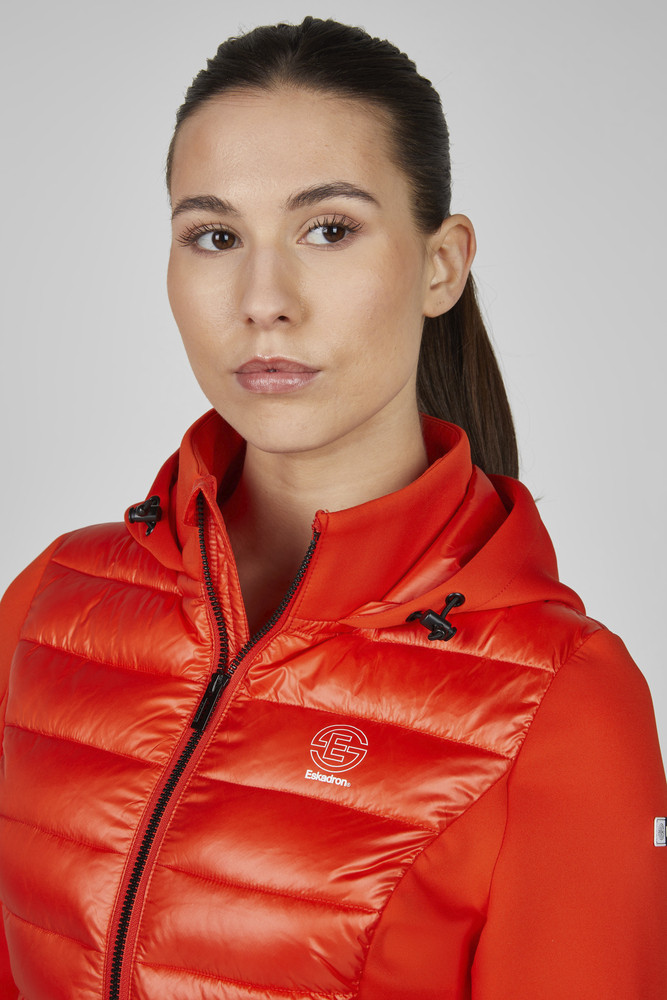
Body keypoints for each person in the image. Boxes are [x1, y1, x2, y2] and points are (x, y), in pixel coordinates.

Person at [0, 15, 665, 999]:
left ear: (441, 265)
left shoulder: (560, 699)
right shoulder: (54, 604)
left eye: (328, 229)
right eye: (215, 236)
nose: (263, 298)